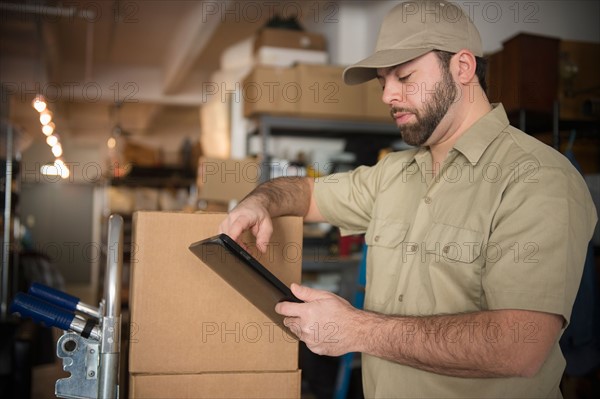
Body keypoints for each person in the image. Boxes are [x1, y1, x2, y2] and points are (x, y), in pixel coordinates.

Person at [219, 1, 598, 397]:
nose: (387, 95)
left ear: (463, 68)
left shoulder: (538, 177)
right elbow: (306, 192)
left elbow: (519, 345)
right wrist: (260, 201)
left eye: (404, 76)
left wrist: (356, 330)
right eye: (383, 81)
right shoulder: (392, 174)